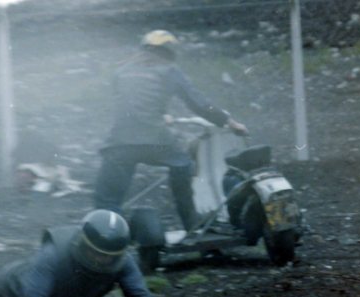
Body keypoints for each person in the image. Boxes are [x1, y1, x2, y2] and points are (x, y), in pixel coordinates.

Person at [94, 29, 249, 230]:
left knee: (108, 199)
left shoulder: (121, 71)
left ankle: (107, 241)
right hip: (156, 139)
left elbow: (127, 102)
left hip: (119, 142)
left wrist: (159, 114)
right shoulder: (169, 71)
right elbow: (198, 103)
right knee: (182, 165)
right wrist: (229, 122)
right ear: (170, 53)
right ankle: (191, 224)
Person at [0, 209, 159, 297]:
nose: (101, 259)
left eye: (109, 255)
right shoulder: (54, 252)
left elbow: (140, 295)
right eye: (95, 252)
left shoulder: (123, 260)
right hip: (5, 291)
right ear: (83, 243)